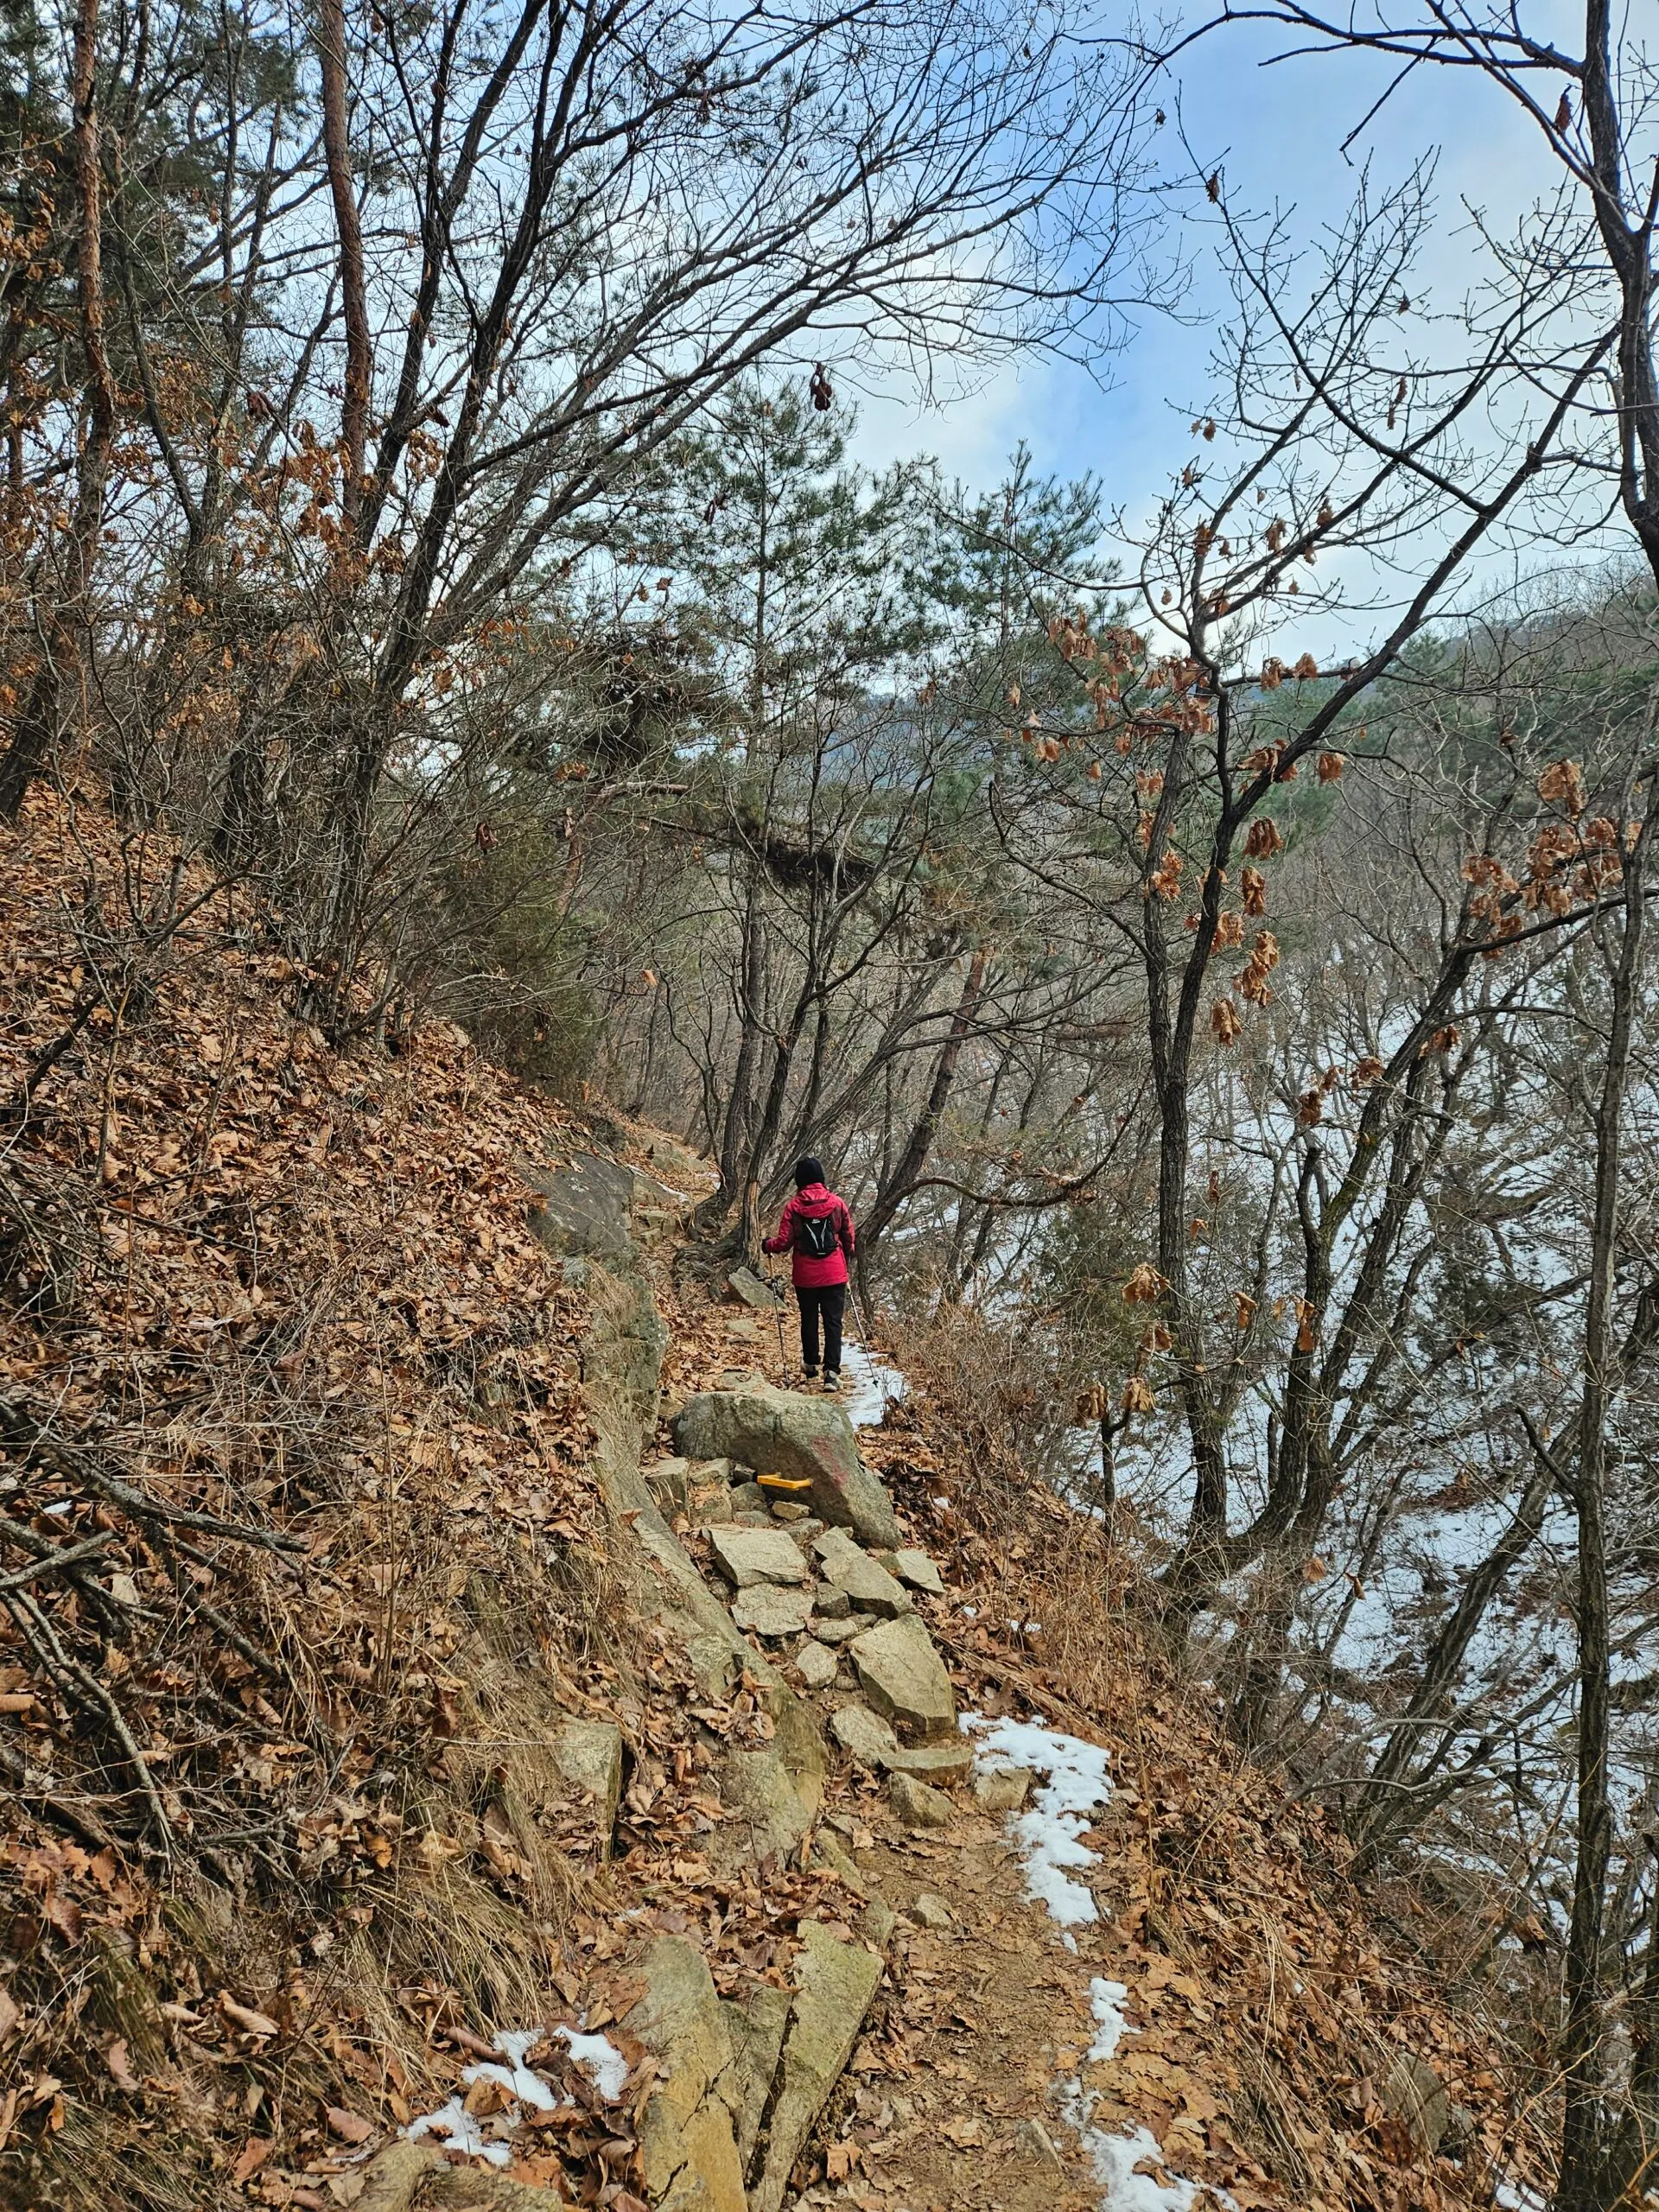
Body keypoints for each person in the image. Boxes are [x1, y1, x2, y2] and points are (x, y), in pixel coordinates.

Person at [762, 1156, 855, 1392]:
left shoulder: (794, 1206)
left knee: (809, 1318)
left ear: (799, 1180)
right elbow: (848, 1236)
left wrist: (767, 1245)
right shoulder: (837, 1203)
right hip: (834, 1272)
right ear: (821, 1178)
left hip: (806, 1274)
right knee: (834, 1322)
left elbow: (784, 1242)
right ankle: (832, 1374)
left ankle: (811, 1364)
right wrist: (849, 1254)